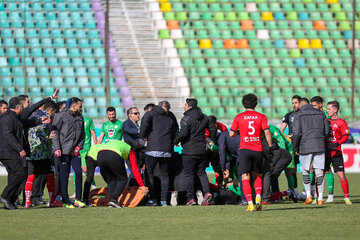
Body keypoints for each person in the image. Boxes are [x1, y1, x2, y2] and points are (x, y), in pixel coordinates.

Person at [229, 93, 273, 212]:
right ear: (256, 104)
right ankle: (258, 197)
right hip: (258, 149)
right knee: (258, 175)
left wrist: (240, 133)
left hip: (244, 150)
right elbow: (267, 132)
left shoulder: (239, 117)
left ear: (243, 104)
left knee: (245, 177)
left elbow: (231, 134)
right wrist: (270, 146)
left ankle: (250, 203)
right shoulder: (261, 116)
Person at [174, 98, 217, 206]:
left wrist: (176, 141)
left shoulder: (186, 119)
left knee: (189, 174)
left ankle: (190, 198)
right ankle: (207, 192)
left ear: (189, 106)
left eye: (185, 104)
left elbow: (183, 134)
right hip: (202, 150)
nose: (184, 106)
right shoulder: (204, 117)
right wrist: (210, 140)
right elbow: (213, 128)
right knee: (202, 173)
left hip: (189, 151)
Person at [140, 101, 178, 206]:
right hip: (166, 150)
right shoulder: (170, 117)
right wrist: (173, 142)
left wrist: (143, 136)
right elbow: (175, 131)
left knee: (149, 173)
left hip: (152, 148)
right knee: (165, 175)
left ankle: (153, 199)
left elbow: (144, 124)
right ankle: (163, 200)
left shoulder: (150, 113)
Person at [292, 98, 329, 205]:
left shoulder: (298, 115)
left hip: (305, 146)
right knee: (319, 172)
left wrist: (296, 147)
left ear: (301, 105)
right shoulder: (321, 114)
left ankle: (308, 196)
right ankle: (321, 198)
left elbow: (296, 133)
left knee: (305, 171)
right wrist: (321, 140)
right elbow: (326, 131)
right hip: (319, 145)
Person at [24, 101, 59, 208]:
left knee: (31, 175)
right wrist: (48, 137)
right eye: (55, 112)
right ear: (51, 110)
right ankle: (52, 200)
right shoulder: (46, 117)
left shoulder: (34, 114)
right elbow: (40, 131)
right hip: (42, 152)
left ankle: (27, 202)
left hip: (31, 151)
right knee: (49, 174)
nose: (55, 115)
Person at [51, 97, 85, 208]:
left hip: (75, 151)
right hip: (63, 151)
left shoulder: (80, 118)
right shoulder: (60, 116)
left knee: (79, 173)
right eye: (80, 106)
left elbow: (83, 135)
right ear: (74, 106)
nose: (81, 108)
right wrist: (57, 148)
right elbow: (54, 132)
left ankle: (78, 199)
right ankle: (65, 201)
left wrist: (79, 146)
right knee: (64, 176)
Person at [97, 140, 149, 208]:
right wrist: (142, 186)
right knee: (123, 179)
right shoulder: (130, 149)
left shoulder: (117, 143)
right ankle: (114, 200)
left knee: (111, 180)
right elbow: (135, 169)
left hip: (100, 155)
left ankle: (111, 201)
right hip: (113, 155)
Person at [0, 97, 26, 210]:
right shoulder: (7, 118)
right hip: (7, 152)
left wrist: (40, 121)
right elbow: (8, 136)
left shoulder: (14, 117)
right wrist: (19, 149)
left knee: (14, 174)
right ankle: (5, 196)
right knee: (20, 173)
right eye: (23, 107)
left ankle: (9, 200)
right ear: (18, 107)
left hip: (10, 151)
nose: (24, 109)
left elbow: (25, 123)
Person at [325, 101, 351, 204]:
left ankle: (346, 197)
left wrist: (337, 144)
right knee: (322, 174)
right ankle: (323, 197)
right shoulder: (326, 121)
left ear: (335, 110)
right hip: (326, 152)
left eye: (329, 109)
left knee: (341, 174)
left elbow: (346, 136)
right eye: (327, 109)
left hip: (336, 152)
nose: (327, 111)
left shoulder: (342, 122)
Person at [262, 124, 295, 204]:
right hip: (279, 153)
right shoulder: (263, 131)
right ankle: (286, 193)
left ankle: (284, 193)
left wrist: (280, 153)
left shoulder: (271, 129)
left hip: (285, 153)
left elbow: (281, 141)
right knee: (272, 174)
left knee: (277, 174)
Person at [311, 96, 334, 200]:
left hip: (325, 145)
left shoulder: (326, 114)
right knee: (312, 169)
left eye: (315, 105)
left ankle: (330, 195)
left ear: (320, 104)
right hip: (315, 144)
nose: (313, 107)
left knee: (327, 170)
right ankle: (313, 193)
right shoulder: (313, 113)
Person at [280, 95, 302, 199]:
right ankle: (294, 192)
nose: (294, 105)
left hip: (303, 145)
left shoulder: (303, 115)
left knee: (296, 170)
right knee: (291, 170)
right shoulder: (289, 115)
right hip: (292, 146)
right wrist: (287, 137)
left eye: (296, 102)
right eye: (292, 103)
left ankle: (297, 192)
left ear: (300, 103)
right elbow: (281, 131)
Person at [79, 115, 97, 191]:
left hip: (86, 148)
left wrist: (95, 146)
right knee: (76, 170)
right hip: (77, 148)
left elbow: (93, 133)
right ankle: (76, 191)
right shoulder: (73, 120)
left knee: (85, 169)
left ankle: (93, 186)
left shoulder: (88, 120)